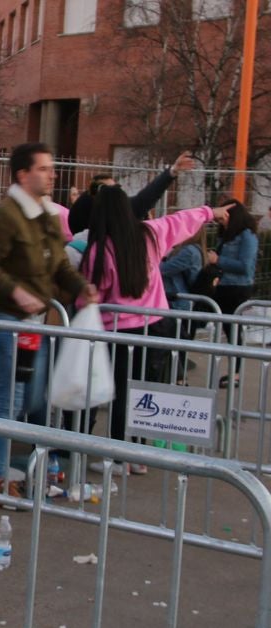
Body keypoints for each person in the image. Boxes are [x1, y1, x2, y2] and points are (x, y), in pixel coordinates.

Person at [0, 142, 98, 500]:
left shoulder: (46, 216)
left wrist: (81, 288)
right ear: (23, 174)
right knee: (13, 397)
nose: (52, 174)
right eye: (43, 168)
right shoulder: (4, 216)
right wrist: (15, 291)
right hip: (4, 318)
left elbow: (56, 264)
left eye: (52, 168)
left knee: (25, 398)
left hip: (31, 322)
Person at [81, 187, 230, 462]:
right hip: (156, 326)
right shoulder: (151, 233)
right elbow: (182, 220)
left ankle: (118, 457)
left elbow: (92, 295)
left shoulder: (99, 250)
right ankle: (138, 455)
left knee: (120, 395)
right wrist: (212, 212)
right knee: (144, 392)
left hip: (117, 332)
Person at [212, 199, 260, 388]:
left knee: (234, 331)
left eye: (225, 217)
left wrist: (218, 261)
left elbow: (245, 267)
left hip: (237, 288)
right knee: (228, 329)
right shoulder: (227, 235)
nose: (221, 221)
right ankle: (234, 371)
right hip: (224, 287)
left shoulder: (247, 236)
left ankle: (236, 373)